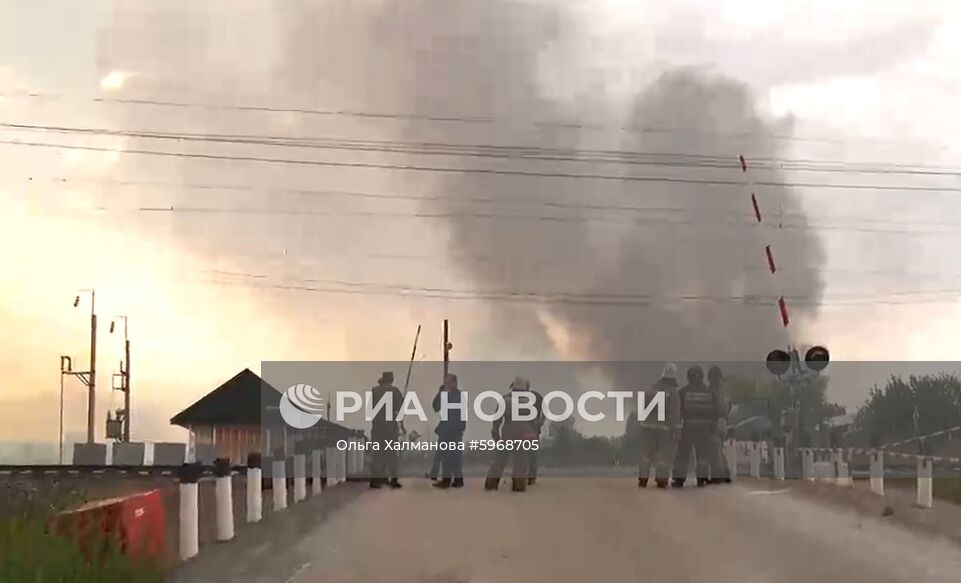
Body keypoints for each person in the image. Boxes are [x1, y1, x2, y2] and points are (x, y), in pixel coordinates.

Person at [485, 377, 539, 492]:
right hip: (525, 435)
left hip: (508, 433)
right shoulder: (530, 401)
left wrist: (495, 433)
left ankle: (491, 486)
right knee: (521, 464)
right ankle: (518, 487)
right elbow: (534, 421)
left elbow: (497, 419)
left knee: (498, 462)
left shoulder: (505, 399)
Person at [672, 365, 722, 488]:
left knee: (683, 454)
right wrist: (713, 427)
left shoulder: (683, 392)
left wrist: (677, 429)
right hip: (705, 428)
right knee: (703, 454)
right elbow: (716, 413)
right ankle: (702, 479)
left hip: (688, 426)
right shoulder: (711, 393)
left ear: (688, 377)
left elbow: (677, 412)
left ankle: (679, 480)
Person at [636, 363, 681, 489]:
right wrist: (675, 430)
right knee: (664, 454)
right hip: (664, 428)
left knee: (645, 453)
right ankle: (661, 480)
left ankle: (643, 478)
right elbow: (674, 413)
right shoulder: (673, 392)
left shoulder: (651, 389)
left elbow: (642, 406)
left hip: (646, 426)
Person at [369, 371, 404, 489]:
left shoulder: (374, 391)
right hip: (390, 427)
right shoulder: (395, 391)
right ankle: (393, 479)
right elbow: (400, 408)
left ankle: (375, 480)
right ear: (392, 380)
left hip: (377, 426)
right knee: (391, 454)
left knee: (378, 454)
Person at [431, 373, 466, 489]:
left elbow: (461, 414)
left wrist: (460, 428)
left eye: (449, 381)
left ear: (455, 383)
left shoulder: (458, 396)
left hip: (454, 430)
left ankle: (457, 479)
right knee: (446, 456)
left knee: (454, 456)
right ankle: (447, 480)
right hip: (446, 429)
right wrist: (440, 393)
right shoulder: (445, 394)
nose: (447, 384)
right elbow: (435, 407)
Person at [707, 365, 732, 484]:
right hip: (724, 421)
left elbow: (713, 407)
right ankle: (725, 472)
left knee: (714, 449)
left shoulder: (713, 389)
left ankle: (717, 476)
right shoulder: (725, 389)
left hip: (716, 420)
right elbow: (729, 405)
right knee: (719, 449)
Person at [526, 387, 545, 485]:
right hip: (531, 430)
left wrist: (539, 423)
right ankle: (530, 478)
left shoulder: (535, 397)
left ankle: (530, 478)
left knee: (532, 455)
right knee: (532, 455)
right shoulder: (535, 396)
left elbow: (544, 411)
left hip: (532, 429)